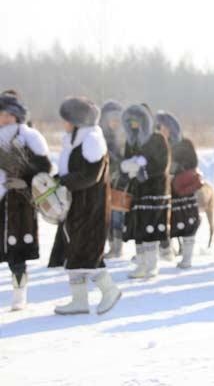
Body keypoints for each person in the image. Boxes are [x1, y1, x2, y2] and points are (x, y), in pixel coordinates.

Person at [52, 97, 121, 315]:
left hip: (91, 208)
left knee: (88, 254)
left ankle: (110, 291)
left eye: (67, 119)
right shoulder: (74, 142)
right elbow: (71, 173)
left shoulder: (92, 142)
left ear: (77, 121)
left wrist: (63, 182)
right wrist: (54, 181)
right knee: (75, 253)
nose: (64, 123)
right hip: (77, 207)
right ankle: (79, 300)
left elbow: (91, 176)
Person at [0, 93, 51, 310]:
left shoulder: (30, 137)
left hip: (19, 205)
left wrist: (25, 182)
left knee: (17, 254)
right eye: (1, 114)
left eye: (8, 115)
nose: (4, 119)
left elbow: (44, 169)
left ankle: (19, 294)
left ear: (17, 116)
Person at [121, 104, 171, 279]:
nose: (134, 124)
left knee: (151, 227)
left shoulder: (157, 139)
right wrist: (127, 168)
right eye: (131, 121)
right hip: (137, 191)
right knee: (138, 227)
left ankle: (152, 265)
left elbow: (162, 164)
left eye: (137, 120)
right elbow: (126, 160)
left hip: (155, 190)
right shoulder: (131, 141)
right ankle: (141, 265)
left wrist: (144, 170)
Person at [156, 111, 201, 268]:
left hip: (183, 189)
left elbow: (193, 163)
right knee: (166, 220)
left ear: (171, 127)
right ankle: (167, 250)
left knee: (187, 221)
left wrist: (175, 168)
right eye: (158, 127)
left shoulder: (185, 144)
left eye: (162, 127)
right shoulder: (158, 145)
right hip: (166, 190)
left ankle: (187, 257)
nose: (160, 130)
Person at [100, 100, 127, 258]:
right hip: (104, 181)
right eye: (112, 119)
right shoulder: (101, 137)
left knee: (118, 214)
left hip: (121, 182)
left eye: (117, 119)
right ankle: (111, 245)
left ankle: (117, 247)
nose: (114, 123)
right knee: (107, 215)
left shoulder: (124, 137)